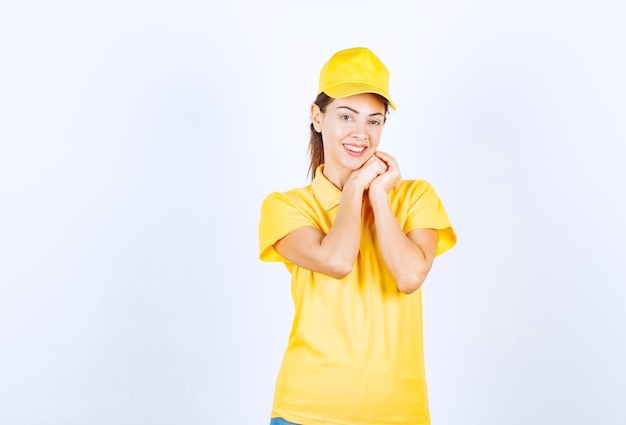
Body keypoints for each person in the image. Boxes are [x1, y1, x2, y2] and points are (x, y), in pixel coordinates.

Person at [258, 47, 457, 425]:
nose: (360, 134)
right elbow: (336, 260)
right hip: (306, 412)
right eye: (346, 116)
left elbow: (410, 276)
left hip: (400, 413)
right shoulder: (286, 207)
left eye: (374, 121)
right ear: (318, 117)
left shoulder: (415, 197)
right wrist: (354, 190)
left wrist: (378, 195)